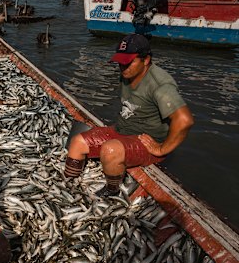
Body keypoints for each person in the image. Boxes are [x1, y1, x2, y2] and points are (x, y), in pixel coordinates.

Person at [63, 33, 194, 197]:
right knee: (77, 142)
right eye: (120, 63)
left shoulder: (160, 84)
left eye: (128, 63)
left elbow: (184, 120)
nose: (123, 68)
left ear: (146, 60)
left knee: (110, 150)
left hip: (145, 141)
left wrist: (161, 148)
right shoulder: (128, 73)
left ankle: (112, 191)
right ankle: (67, 189)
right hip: (123, 129)